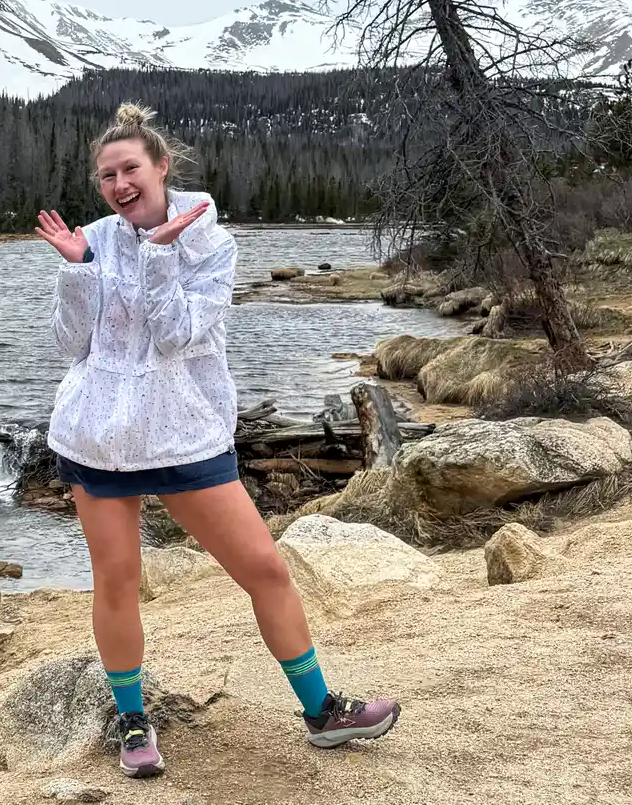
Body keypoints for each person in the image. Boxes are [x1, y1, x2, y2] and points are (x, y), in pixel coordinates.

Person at [35, 103, 399, 779]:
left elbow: (176, 334)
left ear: (161, 167)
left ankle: (322, 712)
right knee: (116, 580)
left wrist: (163, 254)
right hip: (99, 440)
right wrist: (80, 270)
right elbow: (70, 345)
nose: (118, 184)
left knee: (264, 568)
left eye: (130, 169)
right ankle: (134, 725)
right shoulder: (94, 238)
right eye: (106, 175)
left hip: (183, 435)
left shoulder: (211, 243)